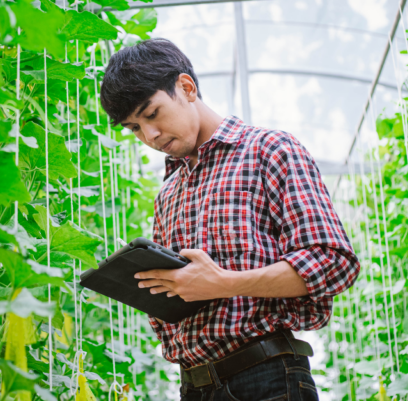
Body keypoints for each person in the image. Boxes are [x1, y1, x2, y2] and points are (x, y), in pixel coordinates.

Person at [99, 38, 360, 400]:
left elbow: (333, 262)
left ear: (186, 88)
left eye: (152, 113)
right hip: (193, 387)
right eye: (134, 128)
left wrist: (223, 283)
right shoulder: (168, 192)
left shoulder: (270, 150)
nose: (150, 136)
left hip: (267, 378)